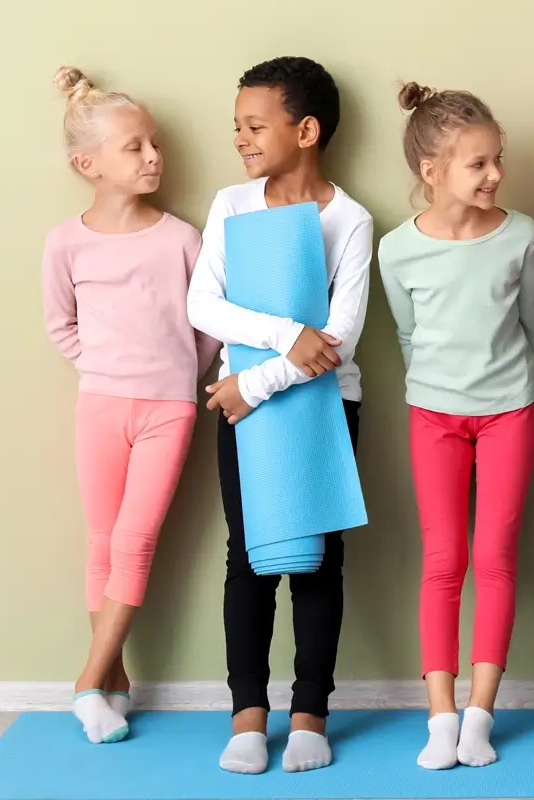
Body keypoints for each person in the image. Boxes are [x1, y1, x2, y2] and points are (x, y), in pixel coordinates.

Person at [186, 56, 373, 774]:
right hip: (246, 407)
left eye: (254, 125)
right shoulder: (231, 206)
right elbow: (204, 304)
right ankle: (246, 718)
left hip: (320, 402)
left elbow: (342, 336)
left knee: (320, 564)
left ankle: (310, 717)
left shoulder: (350, 220)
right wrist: (284, 336)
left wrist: (252, 385)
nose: (240, 137)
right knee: (250, 558)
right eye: (237, 125)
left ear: (306, 129)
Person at [42, 67, 218, 744]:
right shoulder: (65, 242)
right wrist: (104, 366)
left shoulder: (180, 238)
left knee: (135, 540)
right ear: (88, 165)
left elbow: (205, 326)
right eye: (133, 147)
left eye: (154, 143)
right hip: (100, 404)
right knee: (102, 540)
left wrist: (177, 374)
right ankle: (110, 684)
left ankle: (88, 680)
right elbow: (61, 324)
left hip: (168, 407)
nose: (152, 157)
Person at [378, 83, 534, 770]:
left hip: (510, 411)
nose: (495, 174)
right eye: (478, 163)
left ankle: (480, 715)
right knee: (443, 562)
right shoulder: (396, 251)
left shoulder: (524, 235)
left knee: (495, 560)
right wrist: (441, 394)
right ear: (432, 171)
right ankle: (440, 718)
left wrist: (501, 393)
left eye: (496, 159)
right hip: (433, 416)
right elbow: (407, 337)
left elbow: (531, 327)